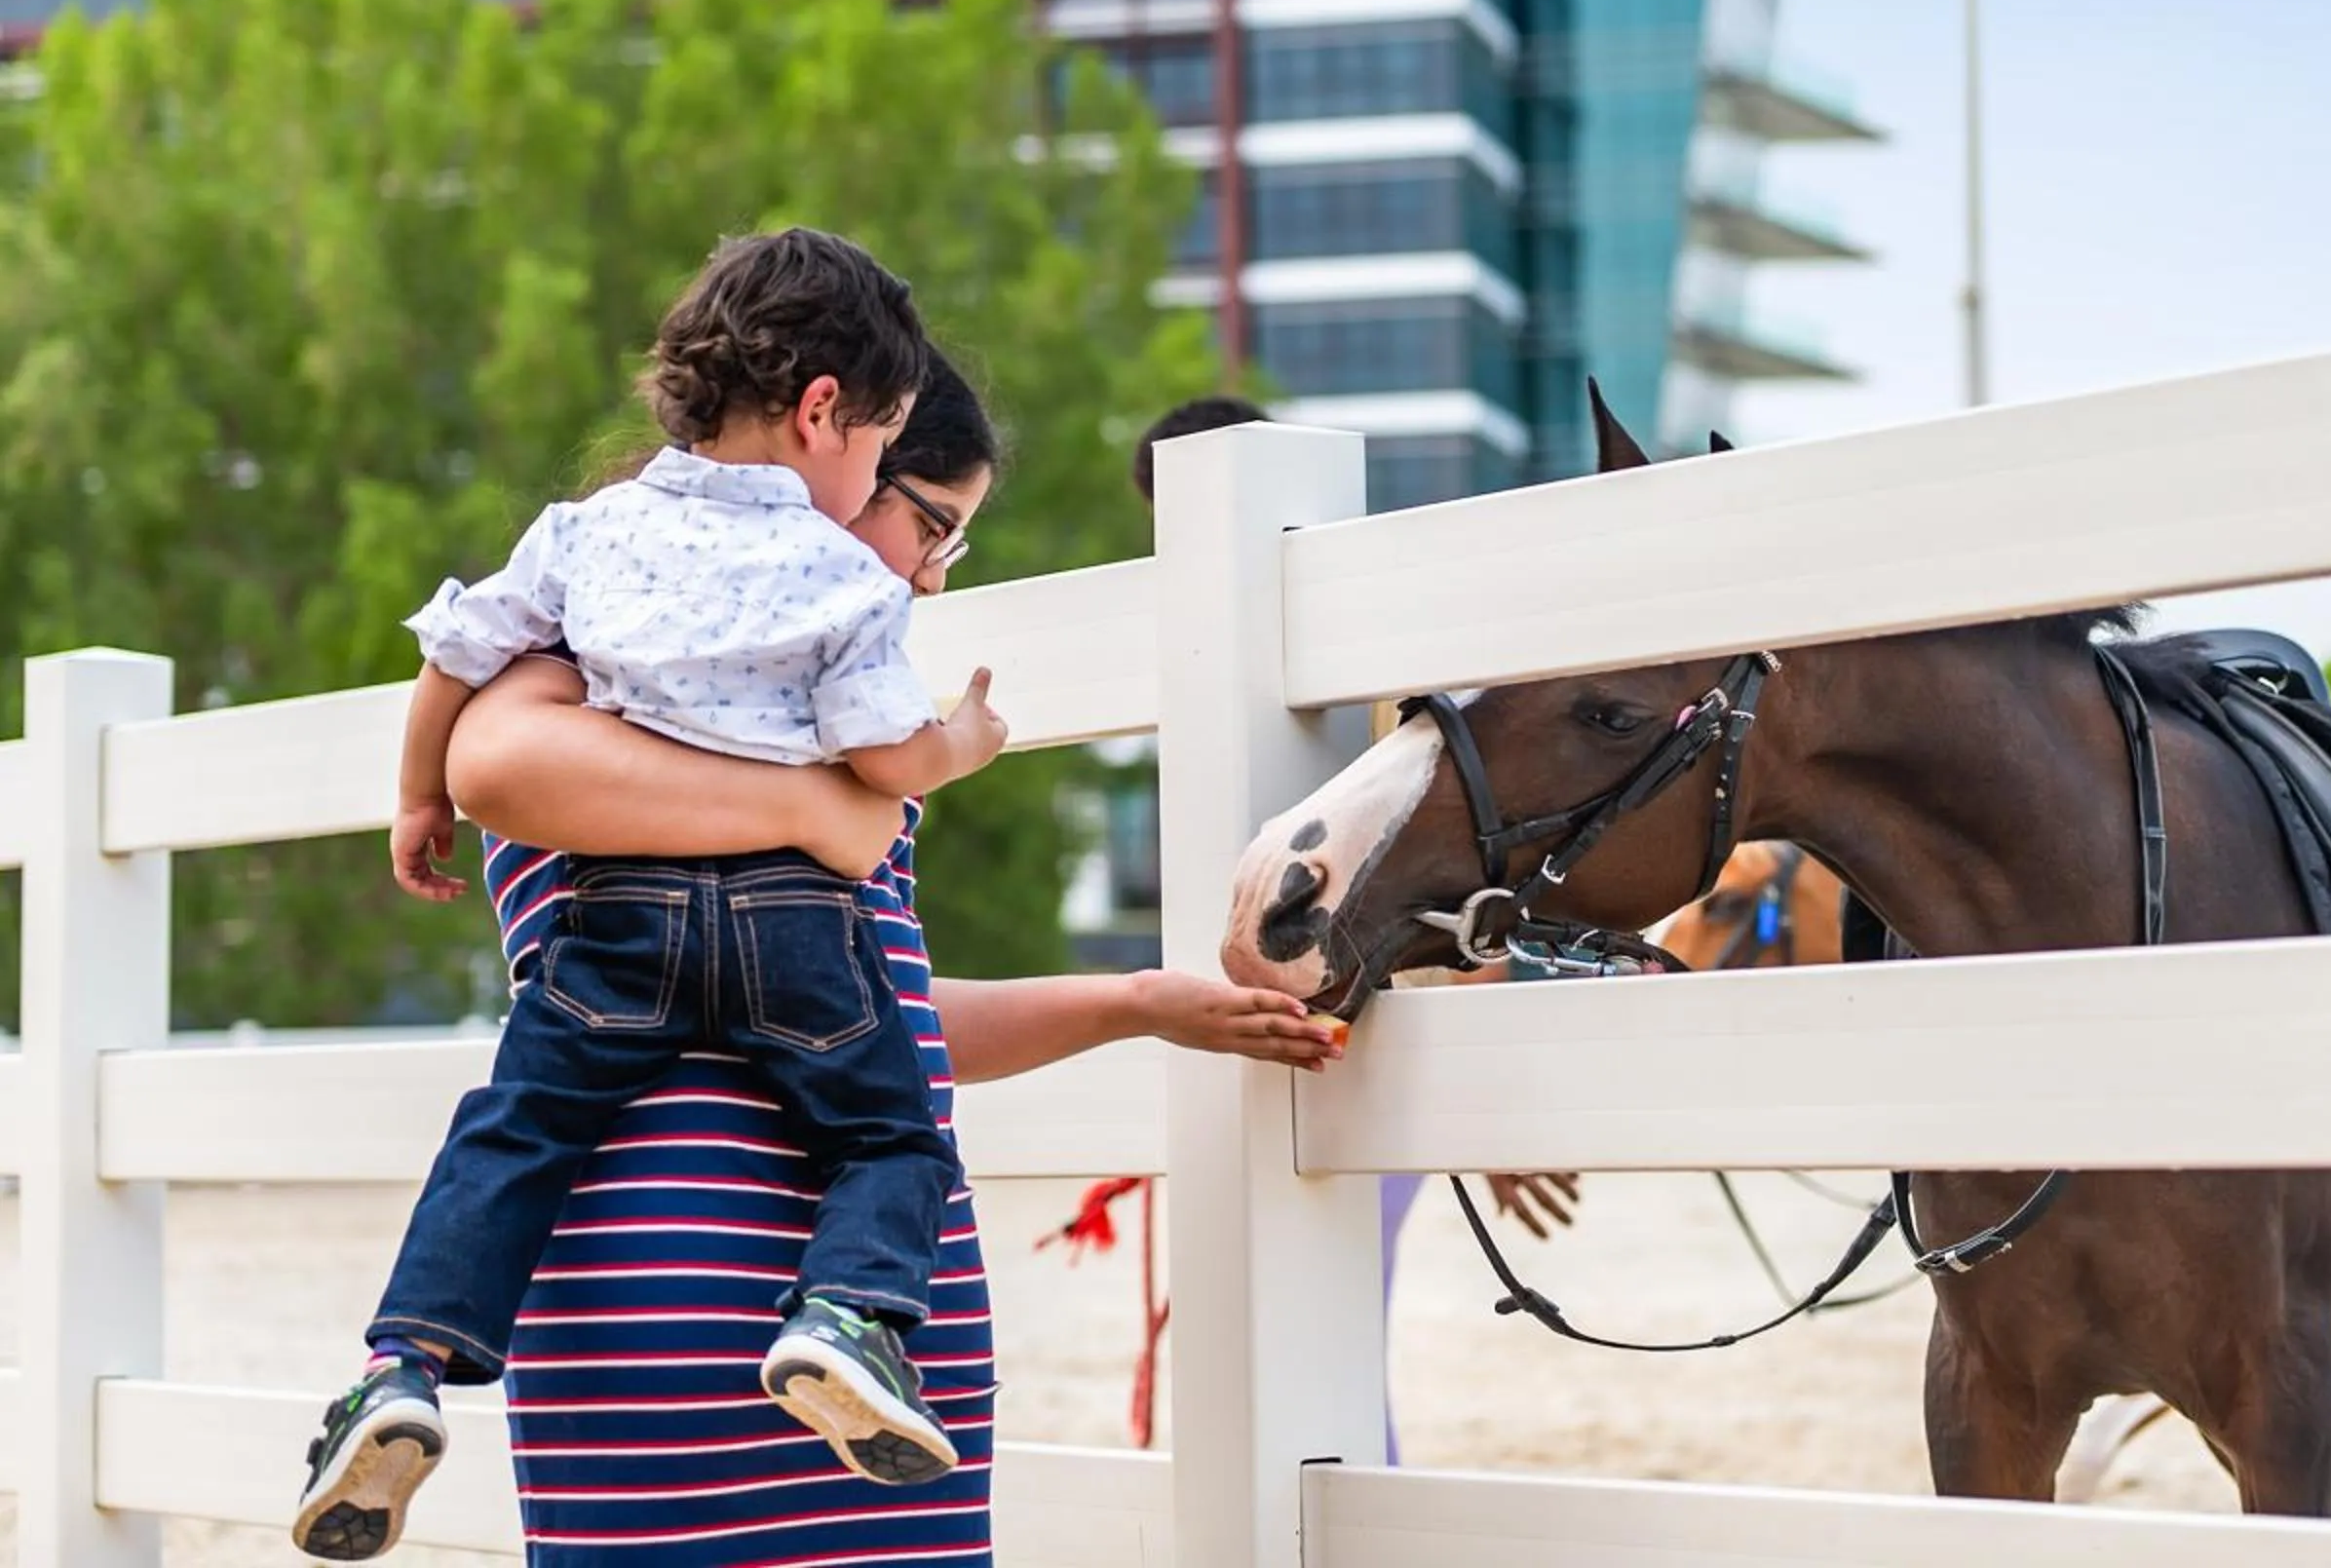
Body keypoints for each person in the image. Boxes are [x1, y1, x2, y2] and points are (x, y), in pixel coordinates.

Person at [328, 349, 1332, 1566]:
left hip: (868, 1322)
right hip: (689, 1266)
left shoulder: (816, 718)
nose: (926, 571)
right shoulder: (564, 678)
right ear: (822, 461)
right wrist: (824, 808)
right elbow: (487, 770)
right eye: (933, 524)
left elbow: (888, 1004)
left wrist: (1131, 1001)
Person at [297, 229, 1007, 1558]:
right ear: (826, 419)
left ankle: (401, 1368)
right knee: (891, 1139)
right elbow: (876, 765)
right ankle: (851, 1312)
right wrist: (929, 762)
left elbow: (450, 668)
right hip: (716, 1256)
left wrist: (410, 799)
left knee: (504, 1132)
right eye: (936, 524)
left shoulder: (587, 544)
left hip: (620, 944)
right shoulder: (838, 592)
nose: (926, 572)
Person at [1131, 396, 1578, 1467]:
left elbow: (1470, 870)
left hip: (1365, 1032)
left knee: (1314, 1323)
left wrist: (1474, 1088)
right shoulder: (1206, 632)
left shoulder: (1391, 633)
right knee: (1266, 1324)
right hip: (1248, 1023)